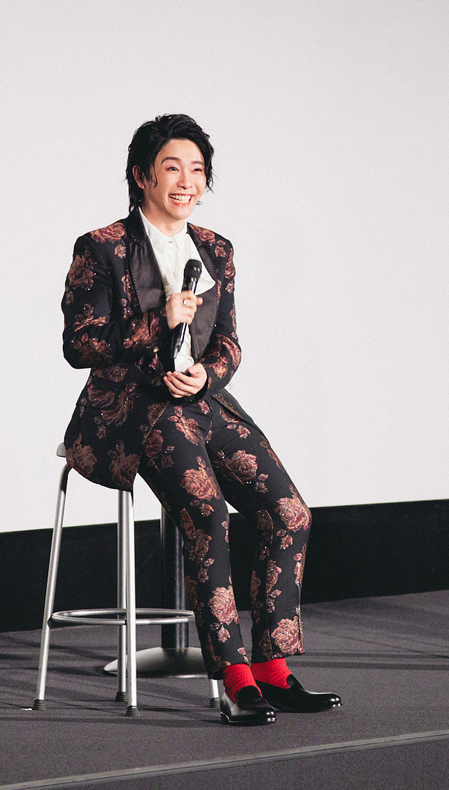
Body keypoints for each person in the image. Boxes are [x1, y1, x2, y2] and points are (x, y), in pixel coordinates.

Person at [61, 114, 342, 725]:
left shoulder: (216, 248)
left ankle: (274, 669)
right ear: (141, 176)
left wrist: (207, 375)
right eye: (172, 168)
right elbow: (79, 345)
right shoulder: (102, 246)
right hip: (134, 408)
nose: (187, 181)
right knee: (208, 513)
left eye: (197, 170)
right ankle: (235, 681)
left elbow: (230, 343)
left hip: (201, 402)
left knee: (289, 513)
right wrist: (156, 322)